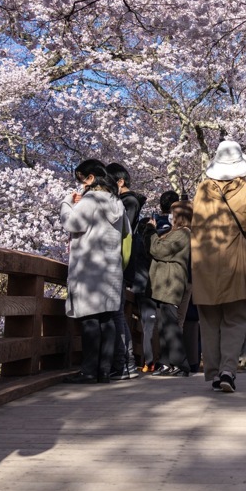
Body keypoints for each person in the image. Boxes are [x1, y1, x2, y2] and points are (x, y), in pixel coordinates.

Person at [190, 140, 246, 393]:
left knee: (210, 320)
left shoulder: (202, 190)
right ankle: (227, 371)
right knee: (235, 319)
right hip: (235, 259)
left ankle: (212, 372)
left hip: (205, 261)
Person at [60, 160, 127, 383]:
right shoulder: (118, 203)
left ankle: (88, 371)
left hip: (90, 269)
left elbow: (72, 224)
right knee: (107, 320)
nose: (81, 185)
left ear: (90, 178)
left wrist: (67, 203)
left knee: (89, 320)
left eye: (81, 180)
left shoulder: (90, 200)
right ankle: (104, 371)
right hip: (110, 269)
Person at [105, 162, 151, 377]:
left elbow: (119, 229)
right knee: (117, 312)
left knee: (116, 312)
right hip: (121, 264)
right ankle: (126, 363)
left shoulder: (128, 202)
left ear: (120, 182)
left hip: (120, 263)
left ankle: (126, 362)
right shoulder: (127, 201)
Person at [147, 200, 193, 377]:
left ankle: (181, 363)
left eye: (173, 214)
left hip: (170, 281)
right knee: (164, 324)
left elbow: (159, 250)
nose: (170, 217)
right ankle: (166, 362)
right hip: (164, 282)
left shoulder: (183, 233)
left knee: (170, 324)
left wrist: (151, 231)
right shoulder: (176, 233)